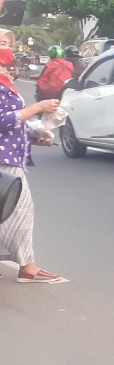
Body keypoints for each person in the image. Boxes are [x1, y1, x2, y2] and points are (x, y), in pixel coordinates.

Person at [0, 28, 67, 283]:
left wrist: (34, 137)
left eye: (7, 43)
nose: (5, 48)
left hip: (11, 154)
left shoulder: (7, 80)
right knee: (21, 209)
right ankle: (28, 268)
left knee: (6, 212)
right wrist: (37, 107)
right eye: (0, 43)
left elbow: (15, 123)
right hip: (4, 158)